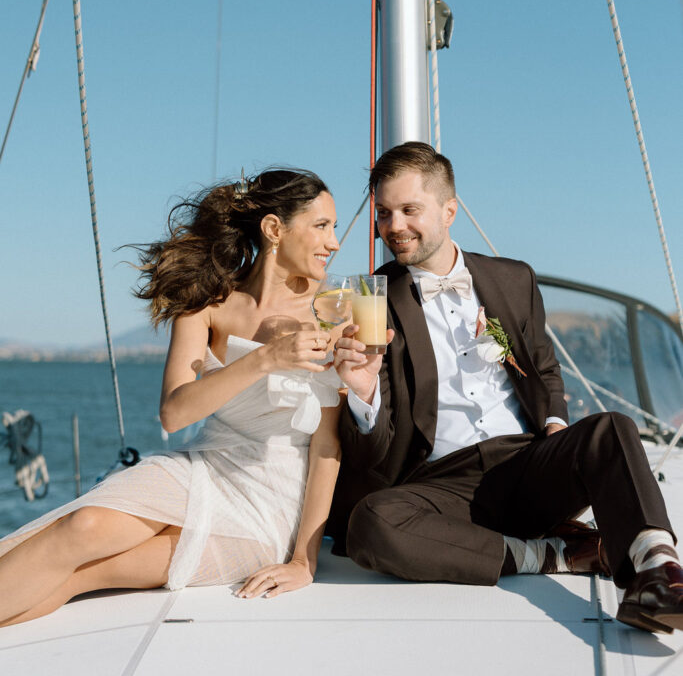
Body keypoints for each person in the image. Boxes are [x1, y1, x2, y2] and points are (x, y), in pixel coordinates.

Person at [331, 141, 683, 635]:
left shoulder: (512, 279)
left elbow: (539, 366)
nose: (394, 226)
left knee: (611, 428)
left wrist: (557, 429)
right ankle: (554, 553)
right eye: (385, 213)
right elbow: (376, 450)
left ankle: (659, 574)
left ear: (449, 209)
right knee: (370, 524)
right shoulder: (373, 297)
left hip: (526, 463)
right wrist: (364, 393)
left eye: (410, 210)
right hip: (441, 485)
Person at [0, 168, 343, 626]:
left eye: (333, 227)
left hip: (267, 505)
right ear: (274, 229)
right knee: (81, 527)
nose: (334, 242)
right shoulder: (207, 304)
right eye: (322, 226)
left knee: (83, 575)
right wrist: (265, 359)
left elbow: (327, 445)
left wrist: (304, 559)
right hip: (200, 466)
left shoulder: (334, 310)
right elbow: (175, 413)